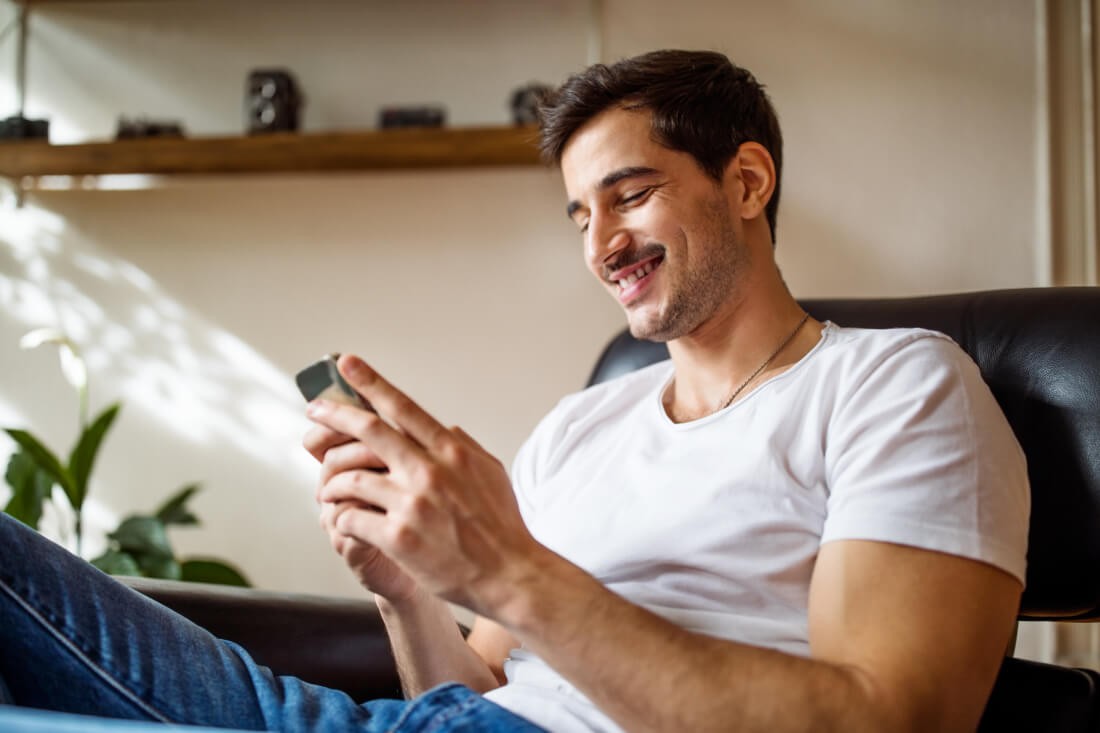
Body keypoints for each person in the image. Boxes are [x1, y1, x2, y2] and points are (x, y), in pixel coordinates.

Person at [0, 49, 1028, 733]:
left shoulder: (892, 384)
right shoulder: (589, 421)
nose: (602, 244)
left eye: (629, 196)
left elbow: (887, 717)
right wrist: (404, 586)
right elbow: (476, 692)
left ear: (746, 183)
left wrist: (505, 565)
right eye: (579, 214)